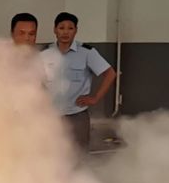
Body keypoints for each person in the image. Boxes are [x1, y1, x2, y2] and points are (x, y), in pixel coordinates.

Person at [39, 12, 115, 150]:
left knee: (79, 154)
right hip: (51, 116)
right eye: (61, 28)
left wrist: (95, 98)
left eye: (70, 28)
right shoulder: (44, 54)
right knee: (50, 153)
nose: (65, 32)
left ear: (76, 31)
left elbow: (110, 74)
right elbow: (35, 80)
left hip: (77, 116)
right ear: (55, 30)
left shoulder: (86, 52)